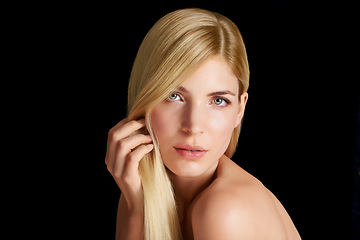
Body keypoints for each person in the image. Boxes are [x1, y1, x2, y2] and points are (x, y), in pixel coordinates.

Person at [105, 8, 301, 240]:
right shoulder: (141, 188)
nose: (194, 126)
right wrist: (136, 207)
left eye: (218, 101)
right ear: (144, 97)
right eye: (173, 96)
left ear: (240, 109)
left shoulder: (225, 210)